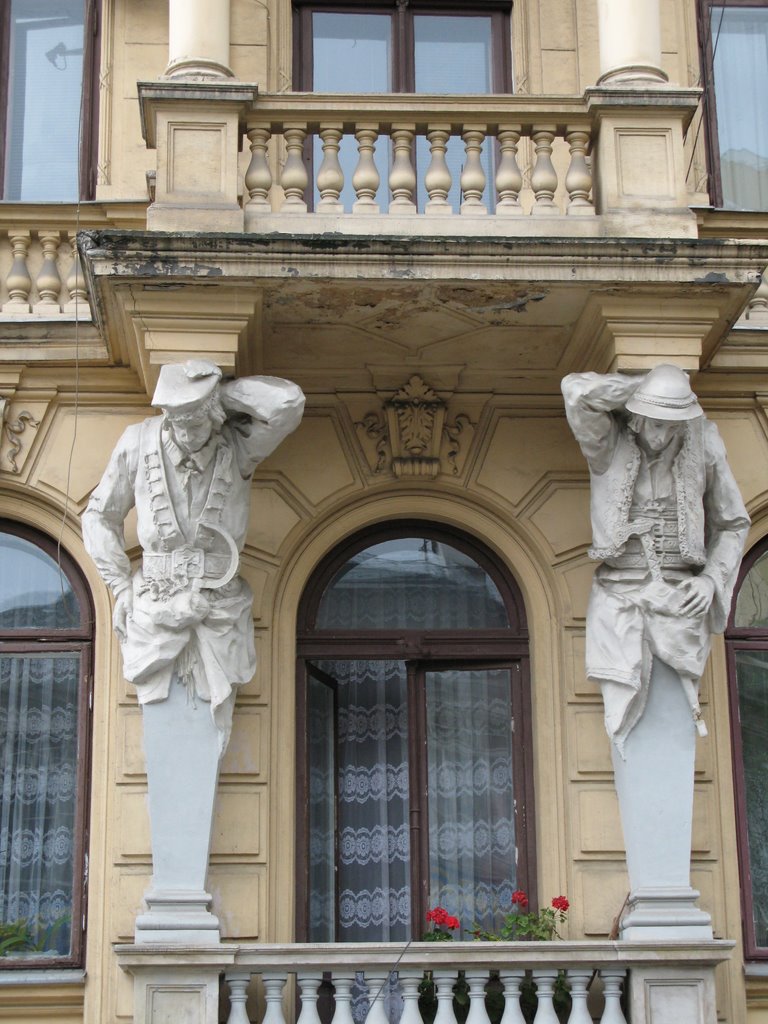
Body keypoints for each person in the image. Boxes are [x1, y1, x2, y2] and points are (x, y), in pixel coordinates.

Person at [83, 359, 305, 752]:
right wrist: (120, 586)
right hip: (154, 605)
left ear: (215, 417)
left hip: (220, 603)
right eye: (177, 422)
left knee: (211, 728)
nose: (185, 433)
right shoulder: (137, 442)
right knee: (164, 724)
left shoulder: (237, 445)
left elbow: (287, 403)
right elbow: (99, 516)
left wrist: (214, 391)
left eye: (196, 422)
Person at [561, 365, 749, 755]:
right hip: (617, 594)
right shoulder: (606, 442)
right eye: (655, 423)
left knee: (673, 716)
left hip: (681, 595)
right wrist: (649, 385)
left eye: (672, 426)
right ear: (638, 418)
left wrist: (711, 579)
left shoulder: (704, 444)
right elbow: (576, 391)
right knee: (623, 713)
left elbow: (732, 523)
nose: (662, 437)